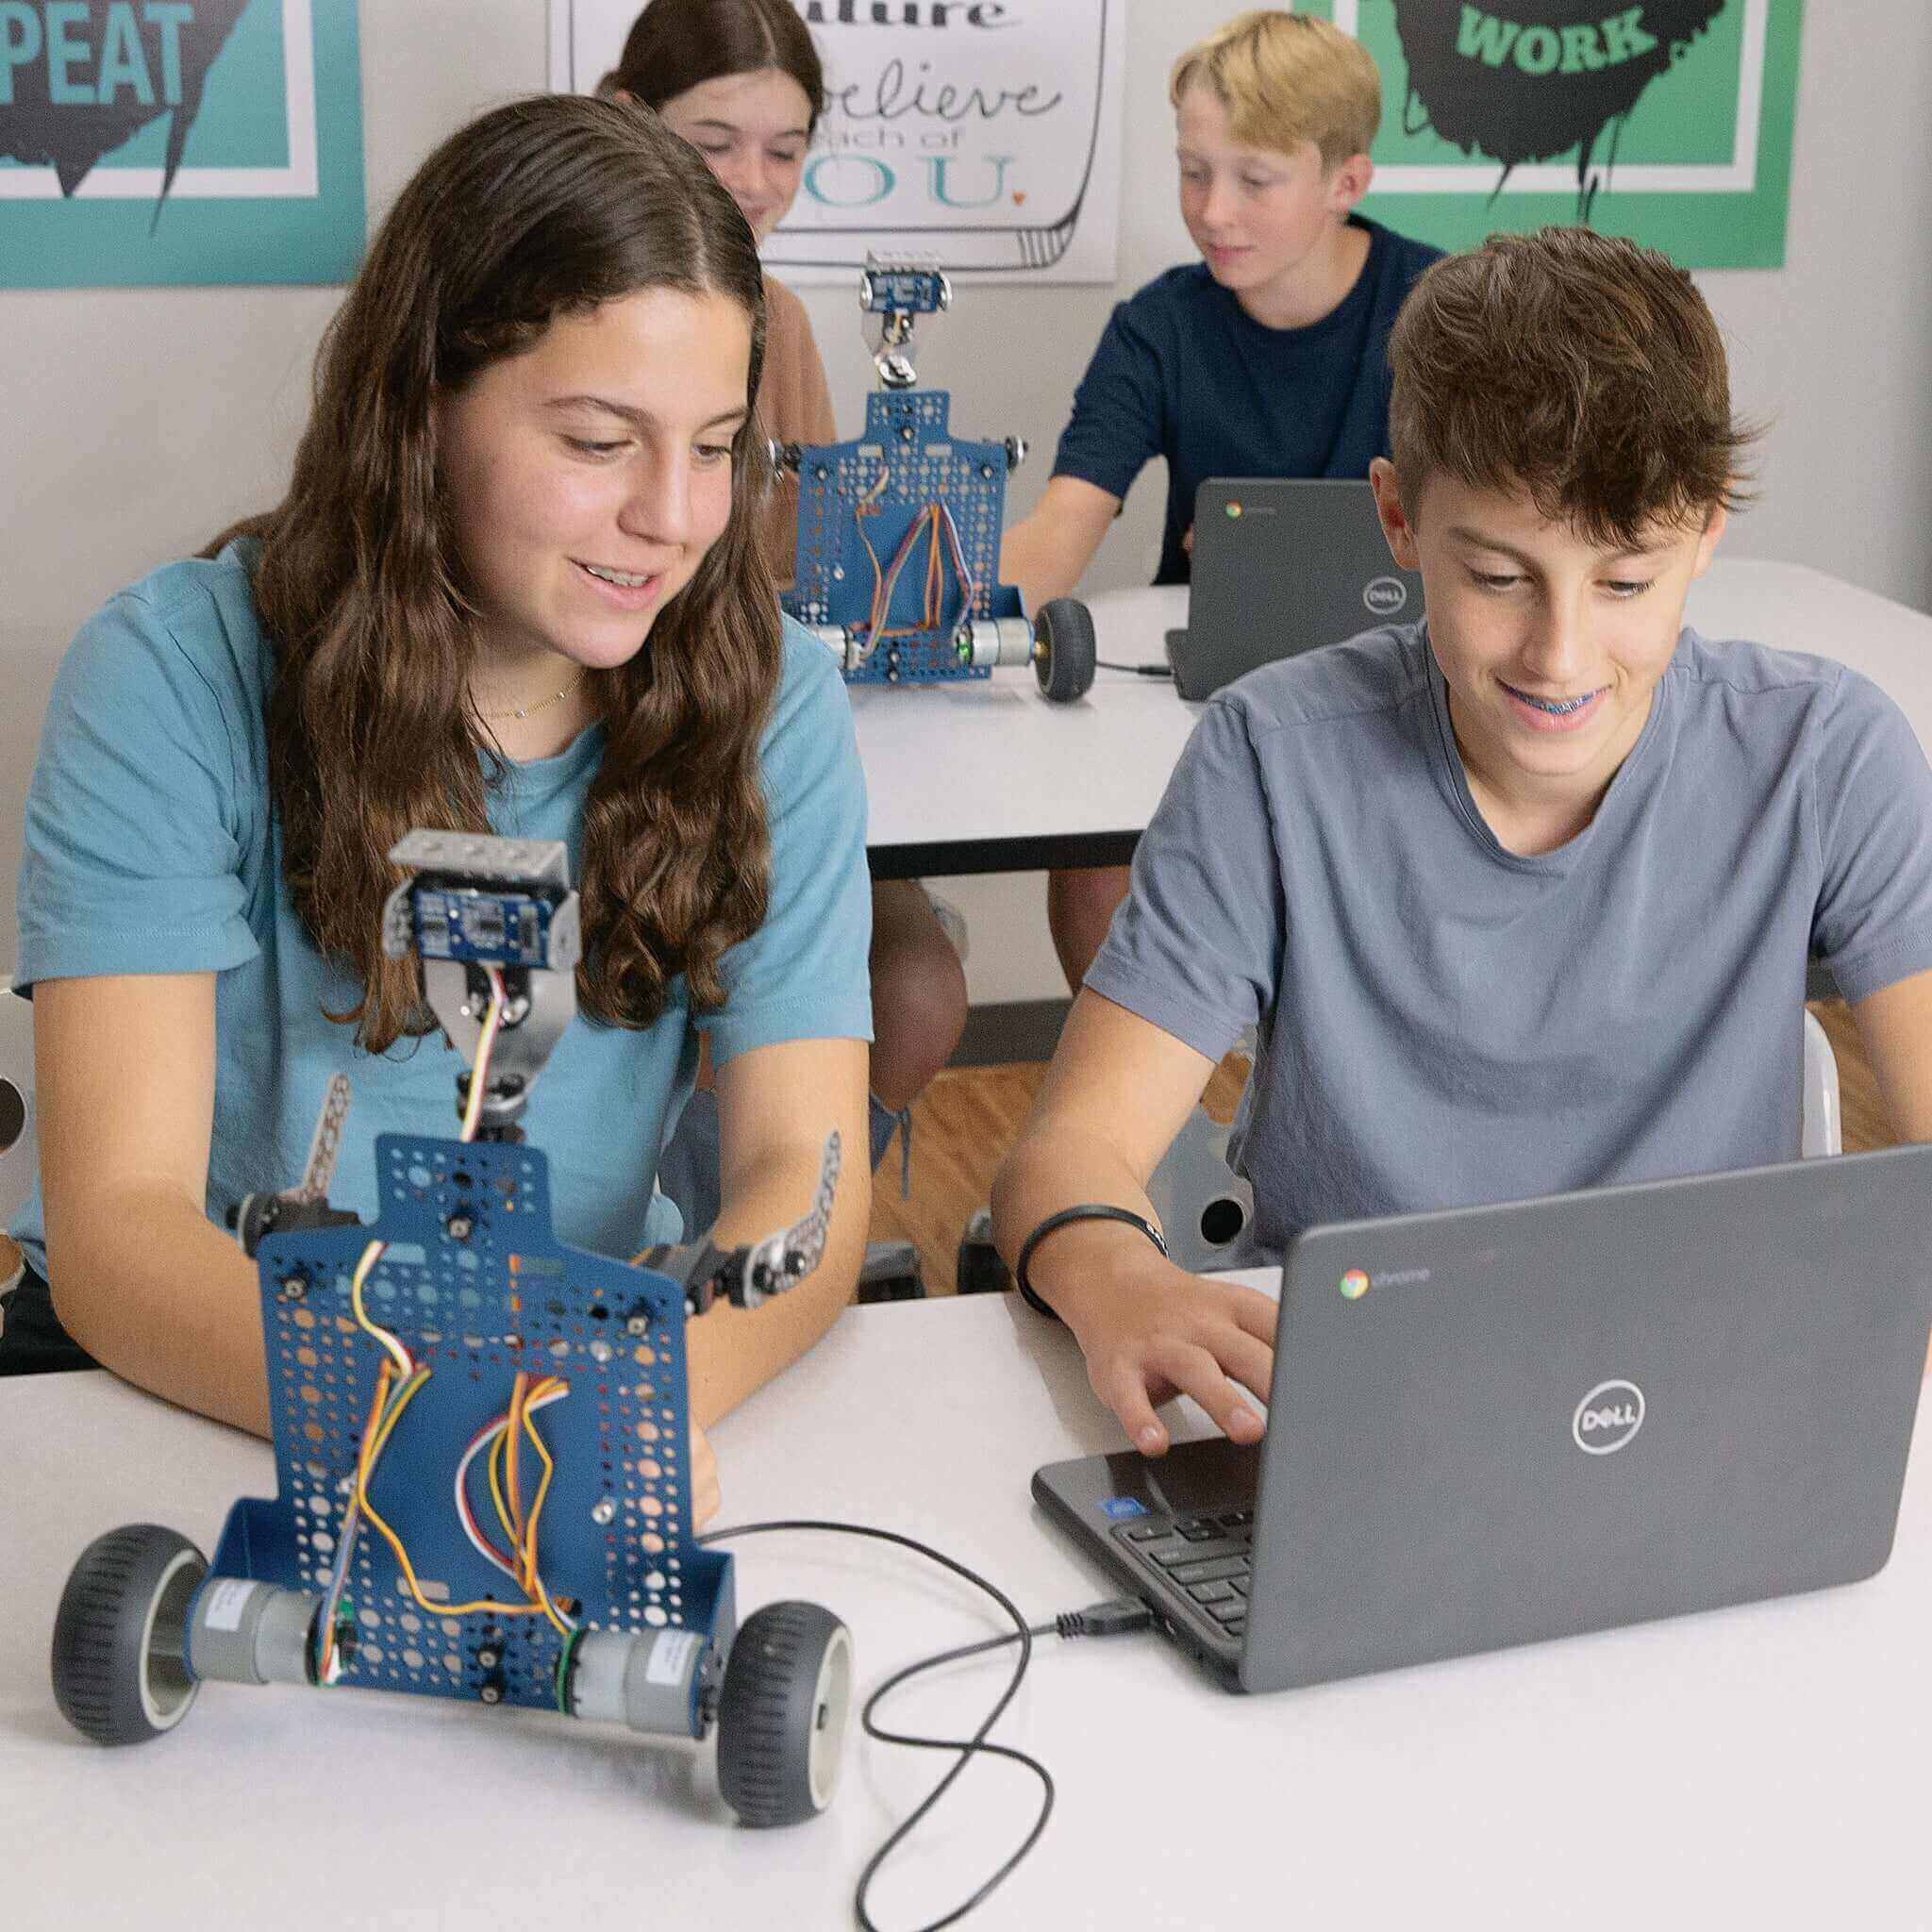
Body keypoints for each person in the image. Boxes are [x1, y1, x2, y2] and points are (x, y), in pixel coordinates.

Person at [2, 96, 879, 1526]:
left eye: (715, 446)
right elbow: (119, 1229)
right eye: (600, 442)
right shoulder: (172, 674)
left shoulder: (775, 703)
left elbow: (803, 1174)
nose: (675, 515)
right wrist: (434, 1422)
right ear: (421, 412)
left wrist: (632, 1401)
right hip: (201, 1387)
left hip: (582, 1386)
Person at [991, 225, 1932, 1458]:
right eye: (1497, 576)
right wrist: (1117, 1275)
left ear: (1705, 531)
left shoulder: (1830, 754)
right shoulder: (1274, 759)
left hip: (1695, 1405)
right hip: (1365, 1410)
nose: (1560, 655)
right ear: (1397, 519)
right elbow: (1065, 1157)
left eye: (1627, 584)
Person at [1000, 9, 1441, 993]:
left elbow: (1497, 525)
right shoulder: (1160, 325)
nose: (1212, 212)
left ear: (1345, 183)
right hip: (1200, 700)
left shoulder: (1441, 311)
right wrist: (951, 624)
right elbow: (1062, 525)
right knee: (1092, 859)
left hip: (1406, 690)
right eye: (1193, 170)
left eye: (1253, 179)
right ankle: (1133, 1107)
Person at [605, 0, 969, 1178]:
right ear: (625, 118)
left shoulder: (790, 322)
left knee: (915, 990)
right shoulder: (557, 313)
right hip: (612, 763)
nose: (753, 183)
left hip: (743, 741)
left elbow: (800, 586)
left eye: (785, 148)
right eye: (713, 142)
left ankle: (785, 1220)